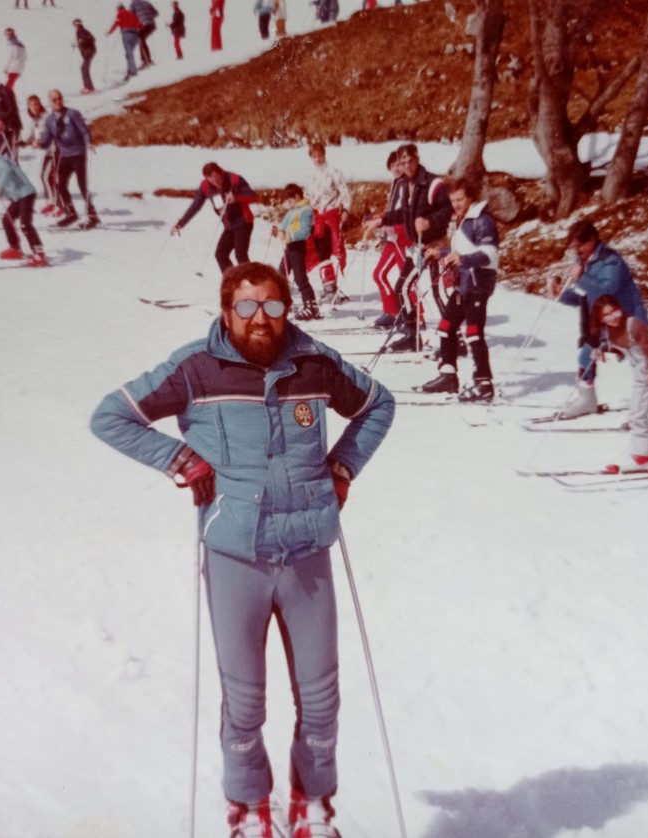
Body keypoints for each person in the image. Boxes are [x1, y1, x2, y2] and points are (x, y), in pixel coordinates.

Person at [90, 261, 395, 838]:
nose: (261, 318)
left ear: (287, 310)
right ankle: (249, 808)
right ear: (227, 311)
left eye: (274, 306)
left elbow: (379, 404)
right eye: (248, 306)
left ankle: (312, 806)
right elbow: (112, 416)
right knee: (245, 701)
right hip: (235, 555)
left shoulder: (315, 364)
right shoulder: (195, 369)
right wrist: (179, 459)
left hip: (307, 553)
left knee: (321, 699)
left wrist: (344, 466)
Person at [552, 220, 648, 418]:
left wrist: (582, 278)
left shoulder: (611, 260)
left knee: (643, 364)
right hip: (606, 323)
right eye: (573, 247)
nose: (576, 251)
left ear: (591, 241)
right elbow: (585, 296)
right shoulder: (585, 262)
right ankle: (587, 401)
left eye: (579, 246)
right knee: (585, 356)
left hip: (628, 321)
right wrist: (561, 295)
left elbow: (607, 291)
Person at [364, 143, 452, 352]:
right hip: (417, 246)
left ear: (417, 159)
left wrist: (429, 221)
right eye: (402, 162)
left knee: (438, 292)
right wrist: (382, 220)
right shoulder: (404, 185)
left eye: (410, 161)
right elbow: (403, 214)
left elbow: (448, 209)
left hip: (435, 244)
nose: (407, 166)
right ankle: (413, 335)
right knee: (403, 287)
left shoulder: (433, 183)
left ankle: (454, 338)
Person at [417, 178, 499, 402]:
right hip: (463, 284)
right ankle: (448, 375)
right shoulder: (463, 220)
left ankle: (484, 383)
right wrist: (441, 253)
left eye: (460, 199)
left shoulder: (482, 221)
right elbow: (461, 251)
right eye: (453, 200)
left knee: (473, 332)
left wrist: (462, 259)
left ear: (471, 197)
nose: (456, 204)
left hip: (478, 284)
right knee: (446, 327)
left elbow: (489, 255)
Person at [589, 295, 648, 475]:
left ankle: (643, 457)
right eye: (607, 316)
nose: (613, 318)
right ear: (600, 319)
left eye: (615, 312)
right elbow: (619, 347)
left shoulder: (634, 324)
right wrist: (601, 351)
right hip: (641, 374)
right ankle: (643, 457)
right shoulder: (608, 331)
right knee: (637, 414)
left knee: (641, 414)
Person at [171, 161, 256, 273]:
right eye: (212, 181)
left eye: (218, 179)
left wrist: (236, 198)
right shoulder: (205, 186)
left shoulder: (234, 179)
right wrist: (181, 223)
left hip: (243, 222)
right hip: (229, 226)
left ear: (221, 173)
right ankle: (231, 280)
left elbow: (253, 197)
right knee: (220, 255)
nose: (216, 183)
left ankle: (251, 280)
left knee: (240, 255)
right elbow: (195, 205)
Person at [34, 89, 100, 229]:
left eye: (60, 98)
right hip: (64, 155)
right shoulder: (50, 120)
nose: (58, 102)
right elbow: (47, 140)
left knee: (82, 184)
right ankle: (71, 212)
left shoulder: (73, 113)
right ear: (50, 102)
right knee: (60, 184)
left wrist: (88, 142)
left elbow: (84, 130)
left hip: (78, 153)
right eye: (54, 100)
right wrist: (39, 143)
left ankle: (92, 216)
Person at [0, 149, 47, 265]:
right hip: (18, 197)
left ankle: (39, 254)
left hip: (26, 193)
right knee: (7, 220)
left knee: (25, 224)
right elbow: (8, 185)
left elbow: (7, 172)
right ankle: (15, 248)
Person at [304, 142, 351, 303]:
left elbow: (344, 192)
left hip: (331, 214)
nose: (318, 159)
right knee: (320, 251)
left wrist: (345, 209)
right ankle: (328, 285)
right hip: (316, 217)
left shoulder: (333, 172)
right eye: (314, 156)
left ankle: (332, 286)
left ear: (324, 155)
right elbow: (307, 196)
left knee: (334, 249)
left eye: (320, 155)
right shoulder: (310, 176)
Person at [370, 150, 410, 330]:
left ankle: (416, 316)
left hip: (403, 236)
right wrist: (383, 218)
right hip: (393, 237)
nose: (396, 168)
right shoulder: (396, 183)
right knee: (379, 274)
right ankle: (391, 312)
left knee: (406, 279)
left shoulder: (408, 184)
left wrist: (393, 225)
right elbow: (394, 210)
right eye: (392, 166)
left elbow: (407, 212)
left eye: (399, 165)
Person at [272, 183, 321, 320]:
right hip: (289, 247)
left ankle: (311, 307)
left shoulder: (306, 211)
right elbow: (284, 226)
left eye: (289, 200)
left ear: (297, 196)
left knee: (300, 278)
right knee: (281, 275)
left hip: (298, 247)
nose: (287, 204)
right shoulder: (292, 211)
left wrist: (286, 235)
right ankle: (284, 302)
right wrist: (278, 231)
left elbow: (304, 232)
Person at [22, 94, 62, 216]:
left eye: (36, 104)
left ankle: (60, 205)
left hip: (57, 150)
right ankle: (51, 202)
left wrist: (39, 142)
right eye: (31, 105)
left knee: (50, 177)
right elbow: (32, 136)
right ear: (28, 107)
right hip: (50, 151)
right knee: (45, 177)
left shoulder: (46, 118)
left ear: (40, 105)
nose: (34, 107)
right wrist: (23, 142)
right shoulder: (35, 120)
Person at [107, 3, 143, 81]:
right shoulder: (132, 14)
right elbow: (140, 25)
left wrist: (110, 32)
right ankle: (130, 70)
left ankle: (133, 72)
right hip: (135, 35)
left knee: (129, 54)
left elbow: (117, 23)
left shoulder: (120, 13)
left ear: (119, 9)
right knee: (129, 54)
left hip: (126, 34)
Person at [131, 0, 159, 68]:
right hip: (152, 25)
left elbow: (131, 15)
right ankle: (147, 60)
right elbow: (156, 13)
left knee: (140, 39)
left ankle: (145, 61)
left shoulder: (133, 4)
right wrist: (149, 16)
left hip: (144, 25)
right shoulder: (146, 2)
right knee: (141, 39)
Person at [73, 19, 97, 94]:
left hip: (88, 52)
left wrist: (83, 42)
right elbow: (89, 39)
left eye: (75, 25)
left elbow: (91, 39)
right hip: (88, 52)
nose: (75, 26)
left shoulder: (81, 31)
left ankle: (88, 87)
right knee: (84, 69)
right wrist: (79, 44)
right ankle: (89, 87)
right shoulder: (82, 31)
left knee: (84, 69)